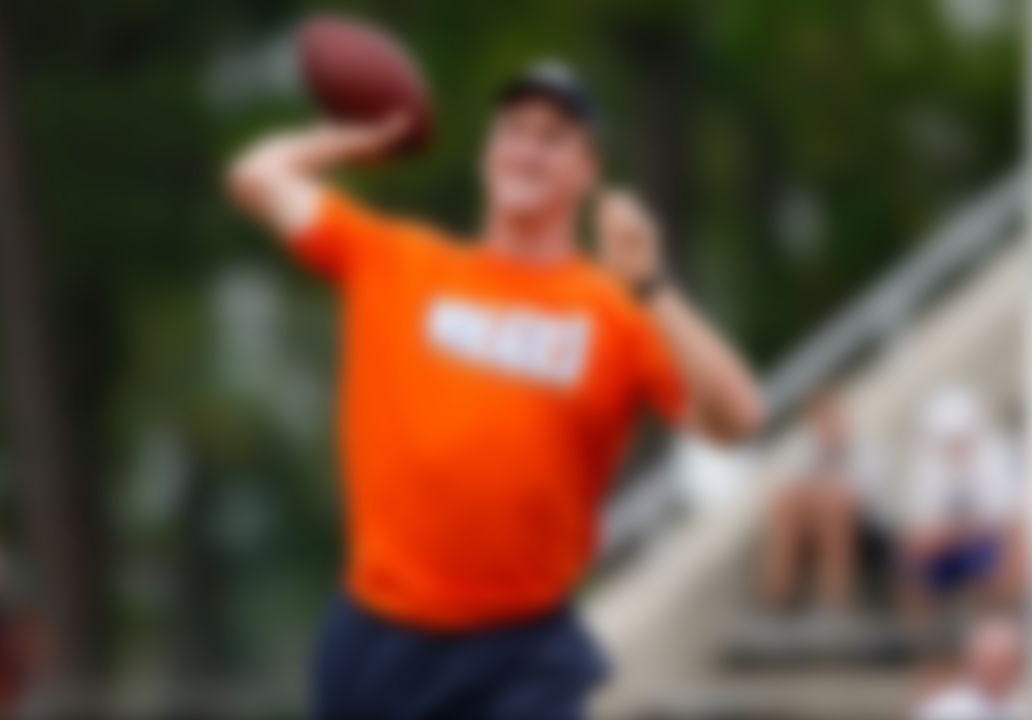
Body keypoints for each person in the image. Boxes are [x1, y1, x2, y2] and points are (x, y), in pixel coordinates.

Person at [227, 60, 762, 719]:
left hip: (519, 649)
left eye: (553, 137)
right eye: (513, 131)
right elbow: (257, 175)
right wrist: (356, 140)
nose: (528, 149)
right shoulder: (397, 260)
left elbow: (738, 416)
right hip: (380, 633)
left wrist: (653, 286)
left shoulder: (613, 310)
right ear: (488, 155)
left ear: (586, 170)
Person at [900, 385, 1023, 625]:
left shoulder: (997, 455)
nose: (955, 447)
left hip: (987, 547)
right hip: (951, 551)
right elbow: (921, 534)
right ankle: (927, 649)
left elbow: (1006, 520)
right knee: (909, 569)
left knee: (1001, 559)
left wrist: (952, 532)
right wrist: (960, 531)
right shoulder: (927, 464)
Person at [758, 390, 882, 615]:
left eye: (828, 419)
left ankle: (831, 603)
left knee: (830, 507)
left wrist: (817, 496)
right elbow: (789, 491)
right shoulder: (809, 455)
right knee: (787, 505)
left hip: (864, 530)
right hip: (818, 523)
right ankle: (778, 596)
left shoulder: (865, 450)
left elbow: (861, 498)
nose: (825, 427)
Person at [913, 615, 1026, 720]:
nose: (1000, 675)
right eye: (993, 666)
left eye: (1006, 667)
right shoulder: (942, 710)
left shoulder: (1019, 706)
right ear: (972, 664)